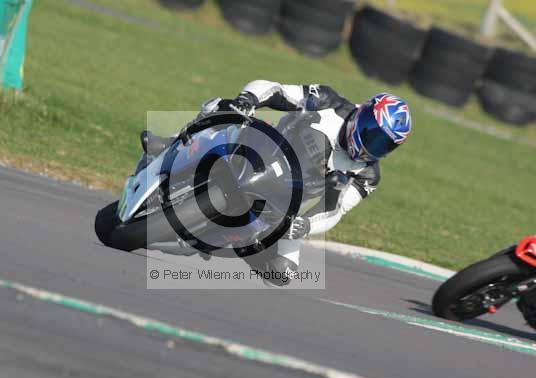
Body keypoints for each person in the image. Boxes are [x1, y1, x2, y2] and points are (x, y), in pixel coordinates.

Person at [141, 80, 412, 286]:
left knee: (283, 273)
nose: (373, 144)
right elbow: (277, 90)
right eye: (372, 133)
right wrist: (248, 100)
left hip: (283, 204)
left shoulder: (367, 175)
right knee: (223, 109)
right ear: (363, 114)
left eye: (384, 144)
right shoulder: (329, 101)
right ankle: (170, 143)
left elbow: (335, 211)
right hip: (260, 147)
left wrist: (306, 225)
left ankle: (230, 240)